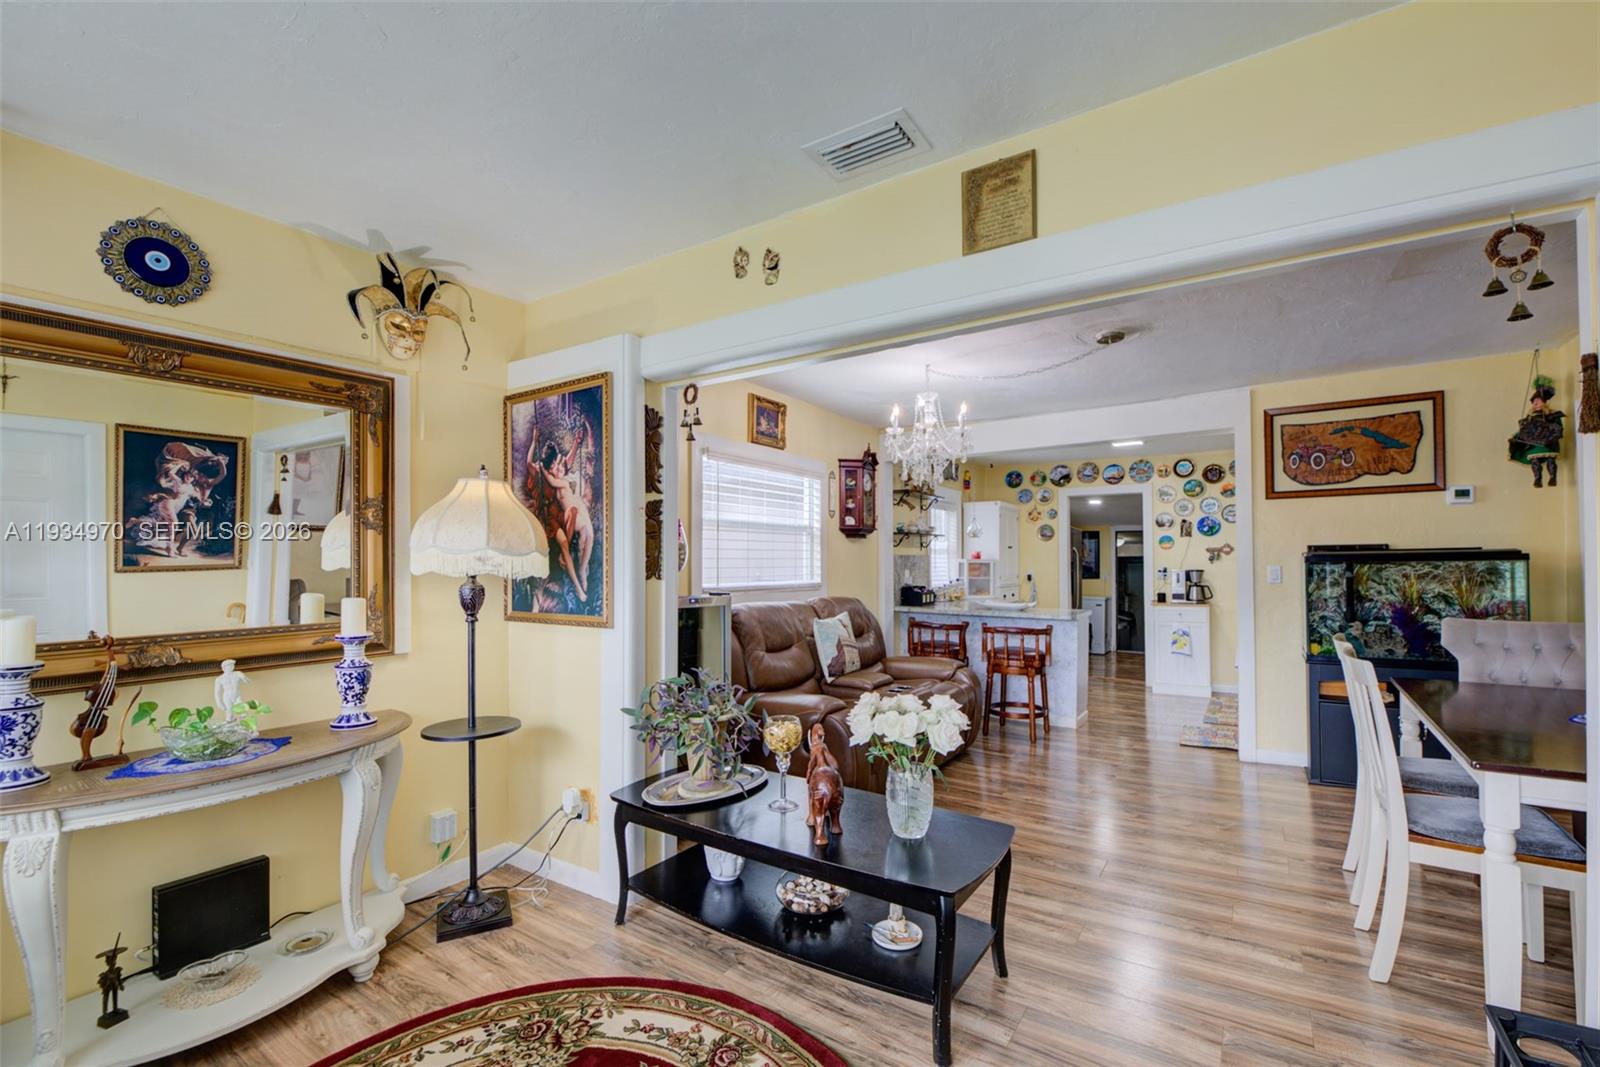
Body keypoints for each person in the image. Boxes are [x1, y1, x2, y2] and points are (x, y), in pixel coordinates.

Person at [1508, 375, 1565, 487]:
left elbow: (1558, 427)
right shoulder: (1530, 417)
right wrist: (1516, 437)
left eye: (1537, 401)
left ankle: (1553, 477)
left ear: (1544, 401)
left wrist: (1551, 436)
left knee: (1550, 459)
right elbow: (1524, 431)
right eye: (1533, 401)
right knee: (1535, 460)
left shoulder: (1552, 415)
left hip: (1548, 443)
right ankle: (1537, 479)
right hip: (1534, 444)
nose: (1535, 403)